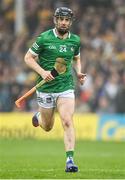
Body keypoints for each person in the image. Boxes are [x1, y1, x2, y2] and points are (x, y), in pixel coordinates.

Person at [24, 7, 86, 172]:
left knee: (67, 120)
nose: (64, 22)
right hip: (45, 88)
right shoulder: (44, 38)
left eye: (67, 20)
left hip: (65, 86)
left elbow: (77, 57)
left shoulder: (75, 40)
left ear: (70, 22)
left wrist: (78, 72)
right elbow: (28, 58)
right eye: (61, 19)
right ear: (55, 20)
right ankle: (39, 116)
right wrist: (43, 72)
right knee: (48, 126)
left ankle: (70, 160)